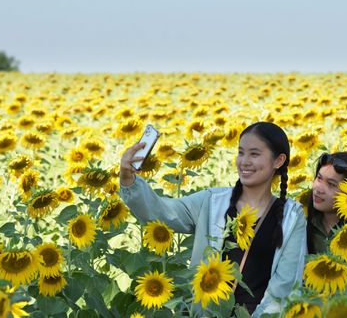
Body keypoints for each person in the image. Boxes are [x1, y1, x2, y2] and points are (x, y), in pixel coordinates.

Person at [119, 121, 307, 317]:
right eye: (241, 152)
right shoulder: (212, 201)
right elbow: (164, 213)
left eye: (254, 154)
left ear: (278, 161)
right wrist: (129, 180)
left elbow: (285, 284)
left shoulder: (292, 217)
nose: (244, 161)